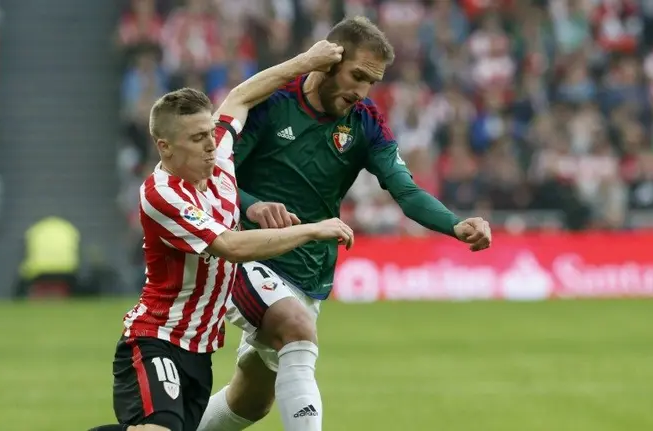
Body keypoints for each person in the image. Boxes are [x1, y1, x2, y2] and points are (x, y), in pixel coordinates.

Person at [198, 16, 493, 431]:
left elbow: (405, 191)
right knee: (297, 331)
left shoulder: (366, 121)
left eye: (371, 82)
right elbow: (215, 178)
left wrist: (455, 224)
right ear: (327, 62)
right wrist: (254, 206)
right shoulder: (272, 102)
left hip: (309, 271)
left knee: (249, 402)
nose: (361, 91)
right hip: (244, 254)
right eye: (356, 75)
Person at [89, 40, 349, 431]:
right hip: (155, 339)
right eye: (197, 138)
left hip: (200, 350)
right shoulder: (161, 194)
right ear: (165, 147)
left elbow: (241, 96)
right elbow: (229, 246)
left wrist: (306, 62)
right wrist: (310, 230)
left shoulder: (220, 161)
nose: (211, 145)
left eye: (211, 132)